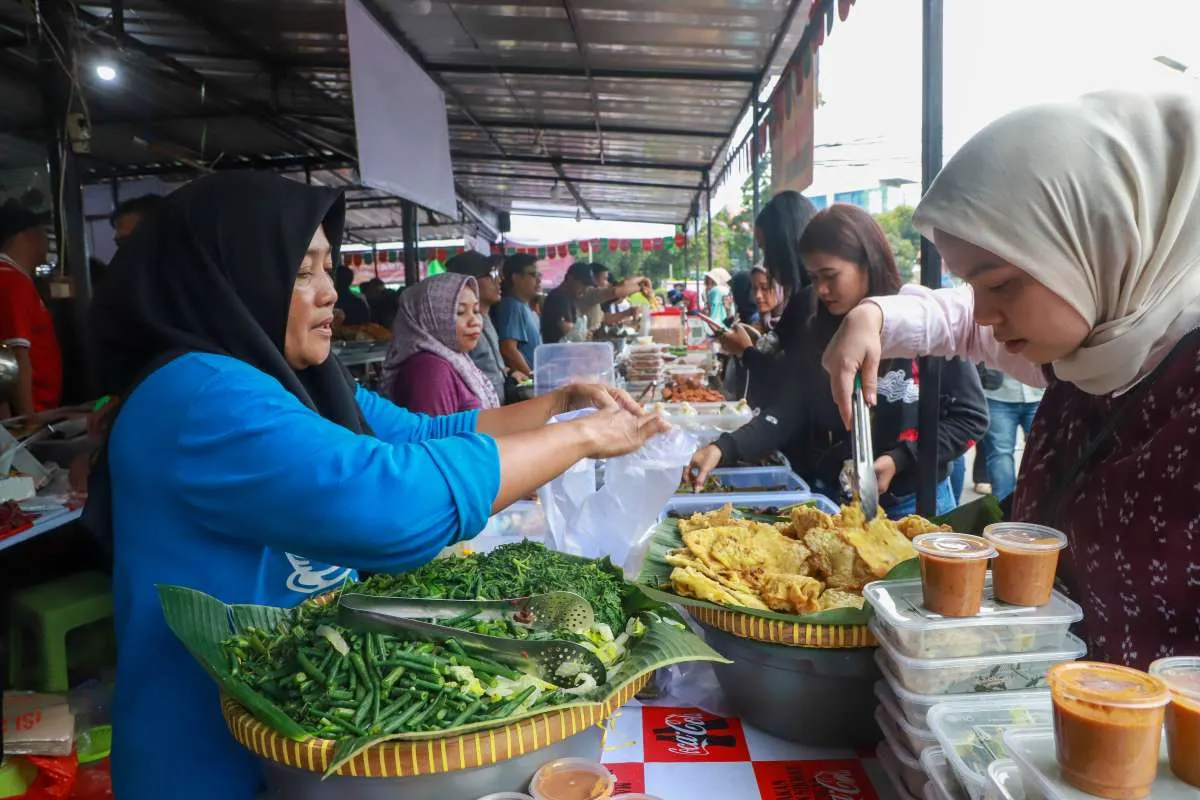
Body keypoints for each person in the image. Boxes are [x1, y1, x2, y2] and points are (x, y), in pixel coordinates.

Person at [84, 172, 668, 800]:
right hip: (213, 765)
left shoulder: (290, 380)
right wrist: (581, 439)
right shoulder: (199, 394)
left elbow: (419, 435)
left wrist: (561, 405)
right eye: (303, 270)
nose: (331, 292)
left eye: (328, 267)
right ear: (231, 273)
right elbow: (389, 504)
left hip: (306, 741)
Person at [820, 90, 1200, 667]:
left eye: (998, 284)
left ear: (1106, 241)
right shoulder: (1095, 346)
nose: (986, 313)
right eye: (973, 286)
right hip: (1033, 726)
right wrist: (875, 315)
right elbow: (962, 325)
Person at [691, 204, 987, 517]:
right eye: (813, 277)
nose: (820, 289)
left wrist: (899, 459)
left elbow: (971, 416)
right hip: (845, 503)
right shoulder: (817, 332)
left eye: (830, 276)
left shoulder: (924, 324)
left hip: (916, 503)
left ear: (867, 263)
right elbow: (788, 411)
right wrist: (724, 447)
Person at [382, 273, 499, 415]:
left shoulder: (455, 359)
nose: (474, 321)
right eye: (460, 312)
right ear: (429, 317)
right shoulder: (430, 369)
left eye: (475, 310)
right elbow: (437, 436)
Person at [0, 201, 60, 417]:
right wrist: (27, 422)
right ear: (27, 235)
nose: (47, 242)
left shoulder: (16, 278)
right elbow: (16, 355)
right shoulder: (10, 280)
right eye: (44, 234)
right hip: (32, 411)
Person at [446, 251, 522, 401]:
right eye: (491, 274)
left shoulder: (484, 319)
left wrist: (509, 371)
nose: (499, 280)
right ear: (468, 282)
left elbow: (486, 365)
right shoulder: (464, 329)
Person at [981, 372, 1043, 501]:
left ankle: (1037, 506)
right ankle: (1005, 510)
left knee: (1043, 453)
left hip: (1039, 393)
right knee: (1000, 455)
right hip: (997, 394)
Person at [494, 253, 543, 375]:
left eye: (539, 275)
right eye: (533, 275)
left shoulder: (524, 307)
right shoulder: (512, 306)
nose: (539, 280)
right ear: (515, 278)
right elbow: (508, 349)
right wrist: (532, 380)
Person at [541, 261, 590, 344]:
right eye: (583, 284)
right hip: (556, 353)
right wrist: (582, 332)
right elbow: (563, 326)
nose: (584, 289)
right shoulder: (557, 298)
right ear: (571, 279)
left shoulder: (568, 298)